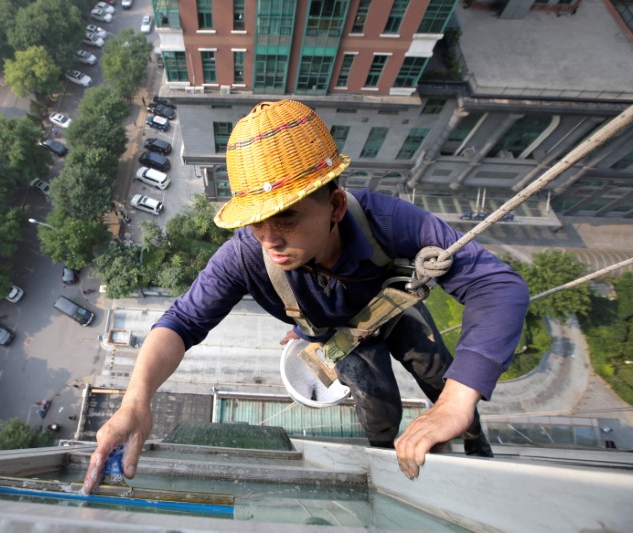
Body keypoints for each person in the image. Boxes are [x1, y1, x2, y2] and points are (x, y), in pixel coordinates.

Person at [83, 100, 528, 490]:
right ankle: (392, 470)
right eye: (257, 222)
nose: (269, 240)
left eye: (286, 219)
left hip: (393, 308)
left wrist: (456, 401)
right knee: (378, 409)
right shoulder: (244, 257)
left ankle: (475, 444)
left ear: (334, 207)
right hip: (340, 337)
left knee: (444, 378)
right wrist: (136, 399)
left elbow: (497, 285)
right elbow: (181, 323)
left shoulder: (386, 221)